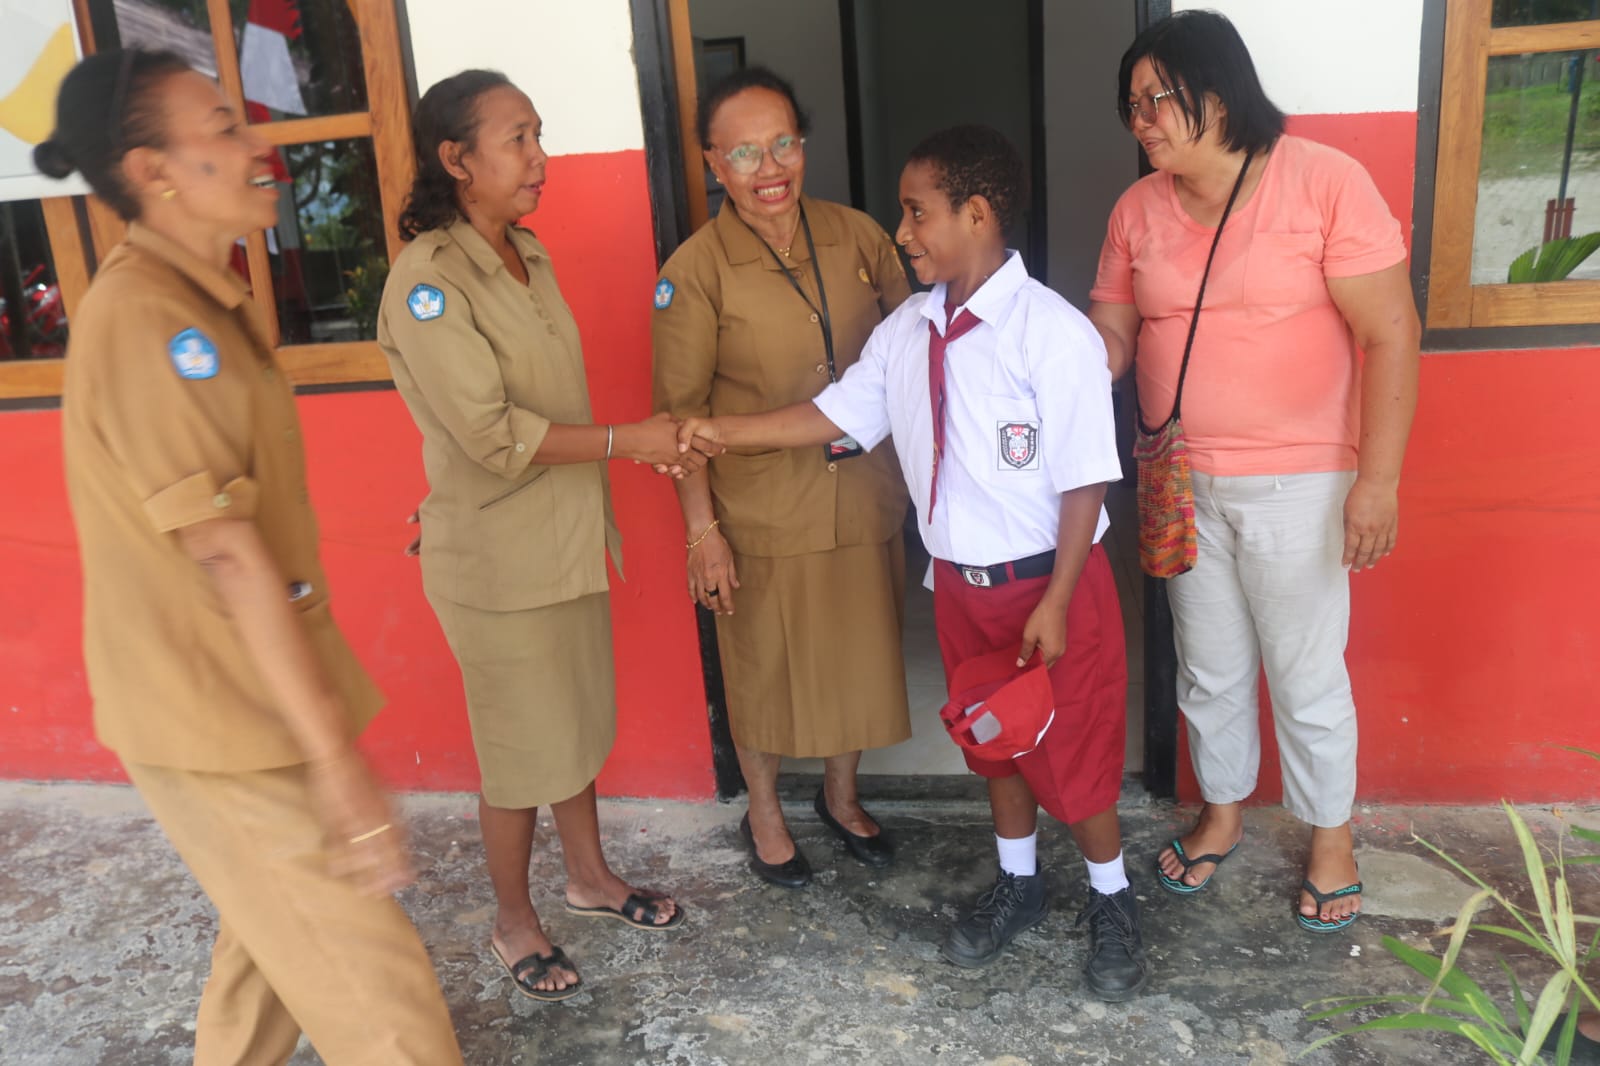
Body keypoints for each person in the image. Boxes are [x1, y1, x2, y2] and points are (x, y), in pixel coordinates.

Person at [43, 50, 463, 1063]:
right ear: (156, 172)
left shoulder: (201, 302)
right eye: (224, 127)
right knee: (389, 1012)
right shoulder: (148, 321)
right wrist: (336, 761)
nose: (257, 144)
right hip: (216, 719)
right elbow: (228, 556)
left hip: (245, 698)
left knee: (269, 961)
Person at [675, 125, 1150, 1001]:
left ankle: (1112, 899)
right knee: (994, 750)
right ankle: (1019, 883)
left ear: (976, 214)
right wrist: (718, 432)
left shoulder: (1051, 332)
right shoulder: (908, 331)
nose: (902, 230)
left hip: (1048, 587)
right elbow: (831, 413)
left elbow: (1087, 480)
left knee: (1074, 762)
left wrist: (1059, 597)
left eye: (916, 212)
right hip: (962, 591)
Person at [1087, 10, 1420, 932]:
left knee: (1306, 672)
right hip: (1178, 479)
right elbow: (1113, 333)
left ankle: (1330, 837)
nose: (1142, 121)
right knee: (1210, 669)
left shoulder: (1323, 183)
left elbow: (1390, 333)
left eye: (1157, 99)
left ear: (1219, 93)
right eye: (1132, 105)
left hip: (1300, 483)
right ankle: (1224, 812)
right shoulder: (1135, 210)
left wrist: (1377, 482)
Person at [377, 70, 704, 1003]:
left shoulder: (527, 254)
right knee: (520, 754)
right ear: (456, 159)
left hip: (564, 534)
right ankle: (512, 920)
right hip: (496, 562)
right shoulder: (428, 282)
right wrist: (630, 441)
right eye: (516, 139)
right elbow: (489, 433)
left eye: (540, 135)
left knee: (576, 724)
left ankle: (591, 879)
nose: (539, 158)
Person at [652, 66, 913, 888]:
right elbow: (680, 421)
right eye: (745, 153)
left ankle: (841, 796)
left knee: (855, 658)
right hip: (761, 510)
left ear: (804, 144)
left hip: (864, 494)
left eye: (784, 145)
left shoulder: (860, 237)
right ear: (712, 165)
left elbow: (917, 347)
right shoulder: (694, 272)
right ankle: (763, 810)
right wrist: (703, 534)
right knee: (762, 668)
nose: (770, 170)